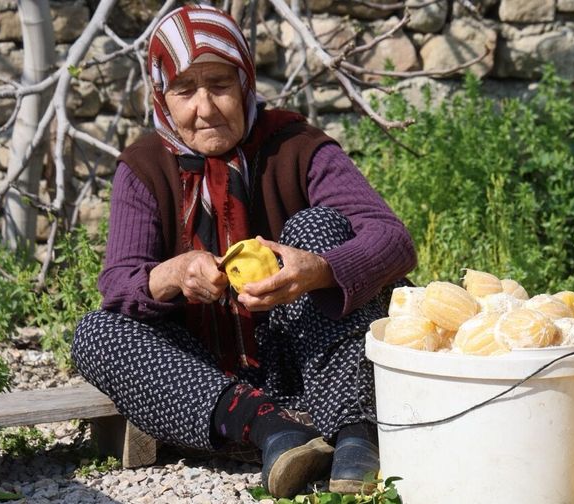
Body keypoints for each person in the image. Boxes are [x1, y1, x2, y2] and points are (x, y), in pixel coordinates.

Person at [71, 4, 416, 498]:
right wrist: (172, 275)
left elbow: (392, 239)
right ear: (161, 96)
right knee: (96, 332)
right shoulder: (144, 167)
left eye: (219, 86)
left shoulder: (297, 146)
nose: (204, 108)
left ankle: (354, 434)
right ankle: (277, 432)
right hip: (206, 379)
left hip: (307, 357)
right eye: (184, 90)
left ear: (246, 83)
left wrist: (317, 270)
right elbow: (119, 284)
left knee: (319, 227)